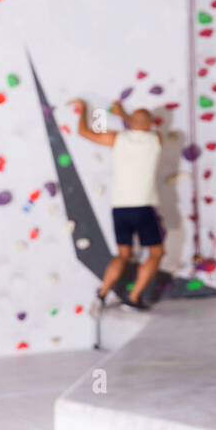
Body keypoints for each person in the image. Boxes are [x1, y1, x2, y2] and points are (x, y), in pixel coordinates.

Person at [72, 99, 164, 312]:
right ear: (150, 124)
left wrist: (84, 110)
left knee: (122, 255)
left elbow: (84, 132)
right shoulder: (155, 139)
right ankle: (133, 298)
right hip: (143, 206)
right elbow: (140, 124)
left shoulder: (117, 139)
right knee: (156, 253)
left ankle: (103, 293)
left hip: (120, 207)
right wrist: (123, 114)